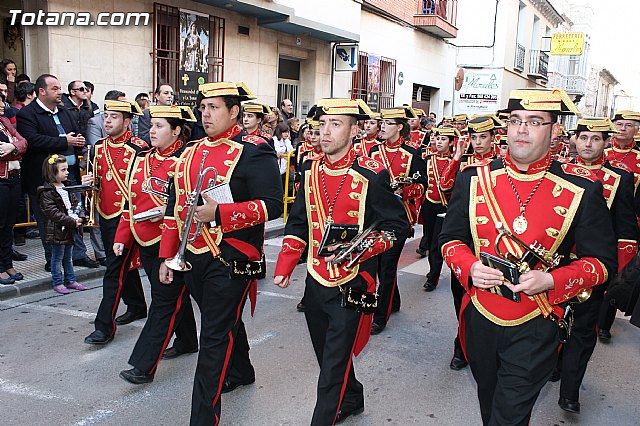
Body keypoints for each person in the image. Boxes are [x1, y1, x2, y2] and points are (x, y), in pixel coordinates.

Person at [439, 88, 617, 426]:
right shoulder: (473, 179)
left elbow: (603, 264)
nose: (521, 129)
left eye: (534, 122)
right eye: (516, 121)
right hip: (481, 314)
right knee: (489, 402)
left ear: (554, 131)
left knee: (509, 415)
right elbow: (450, 240)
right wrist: (470, 266)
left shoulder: (582, 187)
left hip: (538, 320)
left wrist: (553, 280)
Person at [274, 98, 408, 425]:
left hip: (353, 282)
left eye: (335, 124)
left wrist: (360, 251)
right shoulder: (309, 169)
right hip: (316, 281)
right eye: (322, 125)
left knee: (332, 366)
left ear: (354, 129)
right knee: (326, 355)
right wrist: (286, 263)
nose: (326, 132)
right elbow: (298, 221)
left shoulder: (370, 174)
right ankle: (352, 397)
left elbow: (397, 225)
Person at [158, 81, 283, 425]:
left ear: (234, 112)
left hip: (233, 257)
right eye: (203, 107)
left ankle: (203, 418)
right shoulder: (188, 152)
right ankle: (242, 371)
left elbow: (273, 205)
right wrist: (168, 255)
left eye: (214, 107)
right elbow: (173, 206)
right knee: (223, 321)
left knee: (212, 336)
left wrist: (222, 215)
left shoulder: (254, 152)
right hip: (193, 254)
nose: (206, 113)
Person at [552, 117, 638, 414]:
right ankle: (555, 362)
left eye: (596, 138)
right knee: (552, 322)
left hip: (593, 269)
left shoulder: (620, 178)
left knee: (584, 329)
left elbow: (625, 231)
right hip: (555, 266)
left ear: (606, 142)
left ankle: (570, 392)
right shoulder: (556, 171)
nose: (588, 143)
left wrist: (617, 273)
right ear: (574, 140)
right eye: (583, 137)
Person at [115, 105, 198, 384]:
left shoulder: (185, 160)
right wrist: (121, 238)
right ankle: (187, 340)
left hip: (175, 242)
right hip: (145, 239)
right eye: (151, 125)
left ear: (176, 131)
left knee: (163, 303)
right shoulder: (140, 159)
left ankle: (143, 366)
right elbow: (130, 202)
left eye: (160, 126)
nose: (152, 130)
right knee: (173, 296)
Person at [82, 99, 148, 345]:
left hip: (129, 217)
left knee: (113, 271)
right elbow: (99, 181)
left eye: (114, 117)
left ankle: (103, 327)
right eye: (106, 116)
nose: (107, 121)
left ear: (127, 121)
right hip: (107, 214)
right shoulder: (98, 147)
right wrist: (90, 181)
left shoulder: (139, 148)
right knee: (121, 264)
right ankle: (137, 305)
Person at [439, 117, 502, 371]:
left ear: (492, 139)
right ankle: (462, 345)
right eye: (474, 138)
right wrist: (457, 156)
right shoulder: (465, 164)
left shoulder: (502, 166)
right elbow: (444, 185)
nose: (477, 143)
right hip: (466, 244)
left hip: (490, 247)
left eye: (482, 138)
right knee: (461, 301)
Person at [16, 74, 96, 272]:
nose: (60, 92)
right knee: (48, 222)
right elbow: (33, 141)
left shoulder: (63, 110)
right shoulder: (27, 114)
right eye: (55, 88)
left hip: (69, 177)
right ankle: (53, 260)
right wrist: (64, 141)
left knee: (74, 215)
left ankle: (77, 255)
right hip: (43, 180)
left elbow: (74, 133)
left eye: (60, 88)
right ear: (41, 91)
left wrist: (77, 142)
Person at [368, 106, 427, 334]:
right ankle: (394, 301)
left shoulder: (412, 154)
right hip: (375, 217)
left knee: (387, 268)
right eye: (381, 123)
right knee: (379, 264)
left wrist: (403, 191)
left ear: (400, 127)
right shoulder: (372, 152)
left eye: (388, 123)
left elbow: (423, 185)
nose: (382, 127)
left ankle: (380, 317)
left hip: (399, 217)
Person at [601, 110, 640, 340]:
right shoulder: (602, 151)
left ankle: (605, 321)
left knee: (619, 272)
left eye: (628, 125)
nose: (622, 128)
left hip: (629, 222)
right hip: (602, 216)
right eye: (619, 124)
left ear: (636, 129)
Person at [37, 154, 88, 294]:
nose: (67, 172)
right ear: (52, 172)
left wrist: (81, 217)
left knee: (68, 257)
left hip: (70, 228)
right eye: (63, 170)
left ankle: (71, 280)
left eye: (67, 169)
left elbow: (76, 204)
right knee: (57, 257)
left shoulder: (66, 187)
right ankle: (58, 282)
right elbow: (53, 213)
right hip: (57, 229)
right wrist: (72, 221)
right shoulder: (46, 191)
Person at [417, 127, 457, 285]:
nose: (439, 142)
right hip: (429, 204)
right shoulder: (428, 159)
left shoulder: (455, 162)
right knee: (428, 237)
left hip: (444, 207)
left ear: (452, 142)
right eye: (438, 139)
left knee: (436, 242)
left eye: (444, 139)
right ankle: (432, 270)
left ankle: (433, 276)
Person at [0, 96, 27, 285]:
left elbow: (23, 142)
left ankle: (7, 263)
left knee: (9, 224)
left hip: (14, 177)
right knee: (0, 224)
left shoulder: (5, 121)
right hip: (1, 179)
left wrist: (12, 146)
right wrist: (15, 148)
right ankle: (0, 267)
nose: (3, 105)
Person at [272, 123, 294, 190]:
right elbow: (277, 151)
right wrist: (284, 148)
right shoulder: (274, 139)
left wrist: (287, 144)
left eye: (287, 132)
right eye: (284, 132)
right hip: (277, 167)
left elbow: (291, 150)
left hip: (285, 167)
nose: (286, 134)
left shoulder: (287, 141)